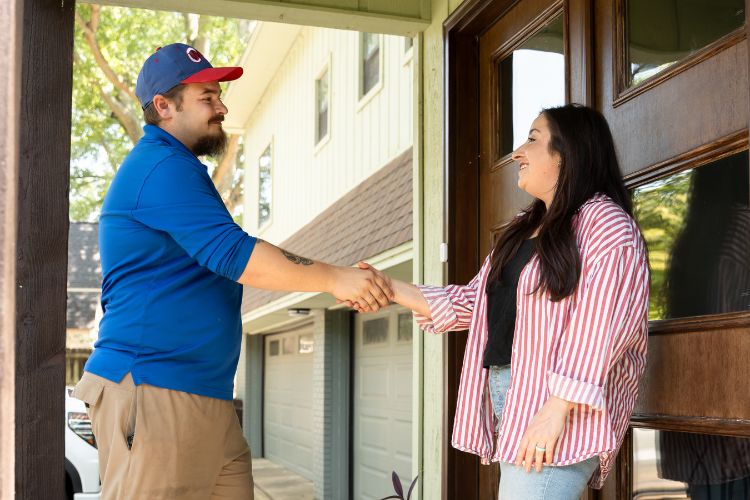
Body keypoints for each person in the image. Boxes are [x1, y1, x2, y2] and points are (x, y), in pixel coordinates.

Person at [71, 43, 393, 500]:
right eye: (207, 97)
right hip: (154, 387)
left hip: (202, 394)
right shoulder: (159, 166)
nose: (221, 107)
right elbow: (234, 254)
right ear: (163, 106)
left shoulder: (179, 168)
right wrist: (336, 278)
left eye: (219, 96)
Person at [355, 104, 650, 498]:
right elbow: (475, 305)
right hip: (513, 397)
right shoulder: (524, 228)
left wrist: (556, 409)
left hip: (558, 406)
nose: (517, 152)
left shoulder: (606, 225)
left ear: (568, 152)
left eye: (532, 139)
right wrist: (388, 288)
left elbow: (601, 325)